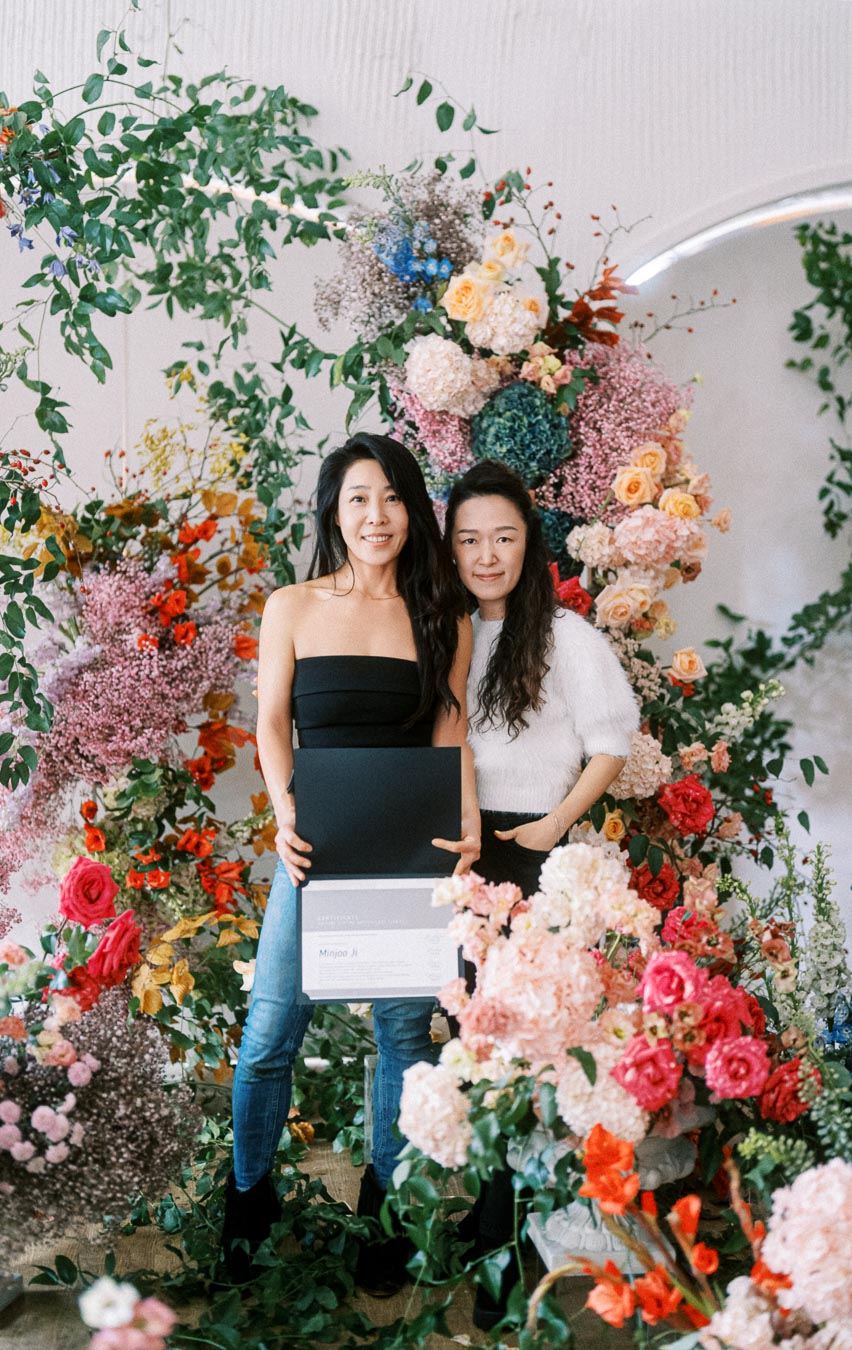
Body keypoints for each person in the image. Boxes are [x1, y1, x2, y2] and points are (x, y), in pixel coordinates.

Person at [221, 432, 480, 1297]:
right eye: (360, 496)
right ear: (335, 507)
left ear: (415, 513)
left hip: (410, 851)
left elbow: (451, 736)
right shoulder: (290, 606)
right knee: (266, 1038)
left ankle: (385, 1214)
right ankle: (247, 1205)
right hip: (313, 849)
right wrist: (284, 810)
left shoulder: (446, 617)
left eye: (394, 497)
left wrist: (465, 824)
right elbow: (270, 724)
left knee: (403, 1037)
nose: (378, 515)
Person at [441, 458, 640, 1329]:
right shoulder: (443, 632)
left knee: (526, 1054)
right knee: (475, 1048)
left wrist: (555, 825)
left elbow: (611, 742)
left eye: (504, 538)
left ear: (532, 545)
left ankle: (505, 1240)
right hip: (465, 853)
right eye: (470, 540)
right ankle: (490, 1223)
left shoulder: (566, 636)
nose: (487, 556)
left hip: (533, 854)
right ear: (450, 549)